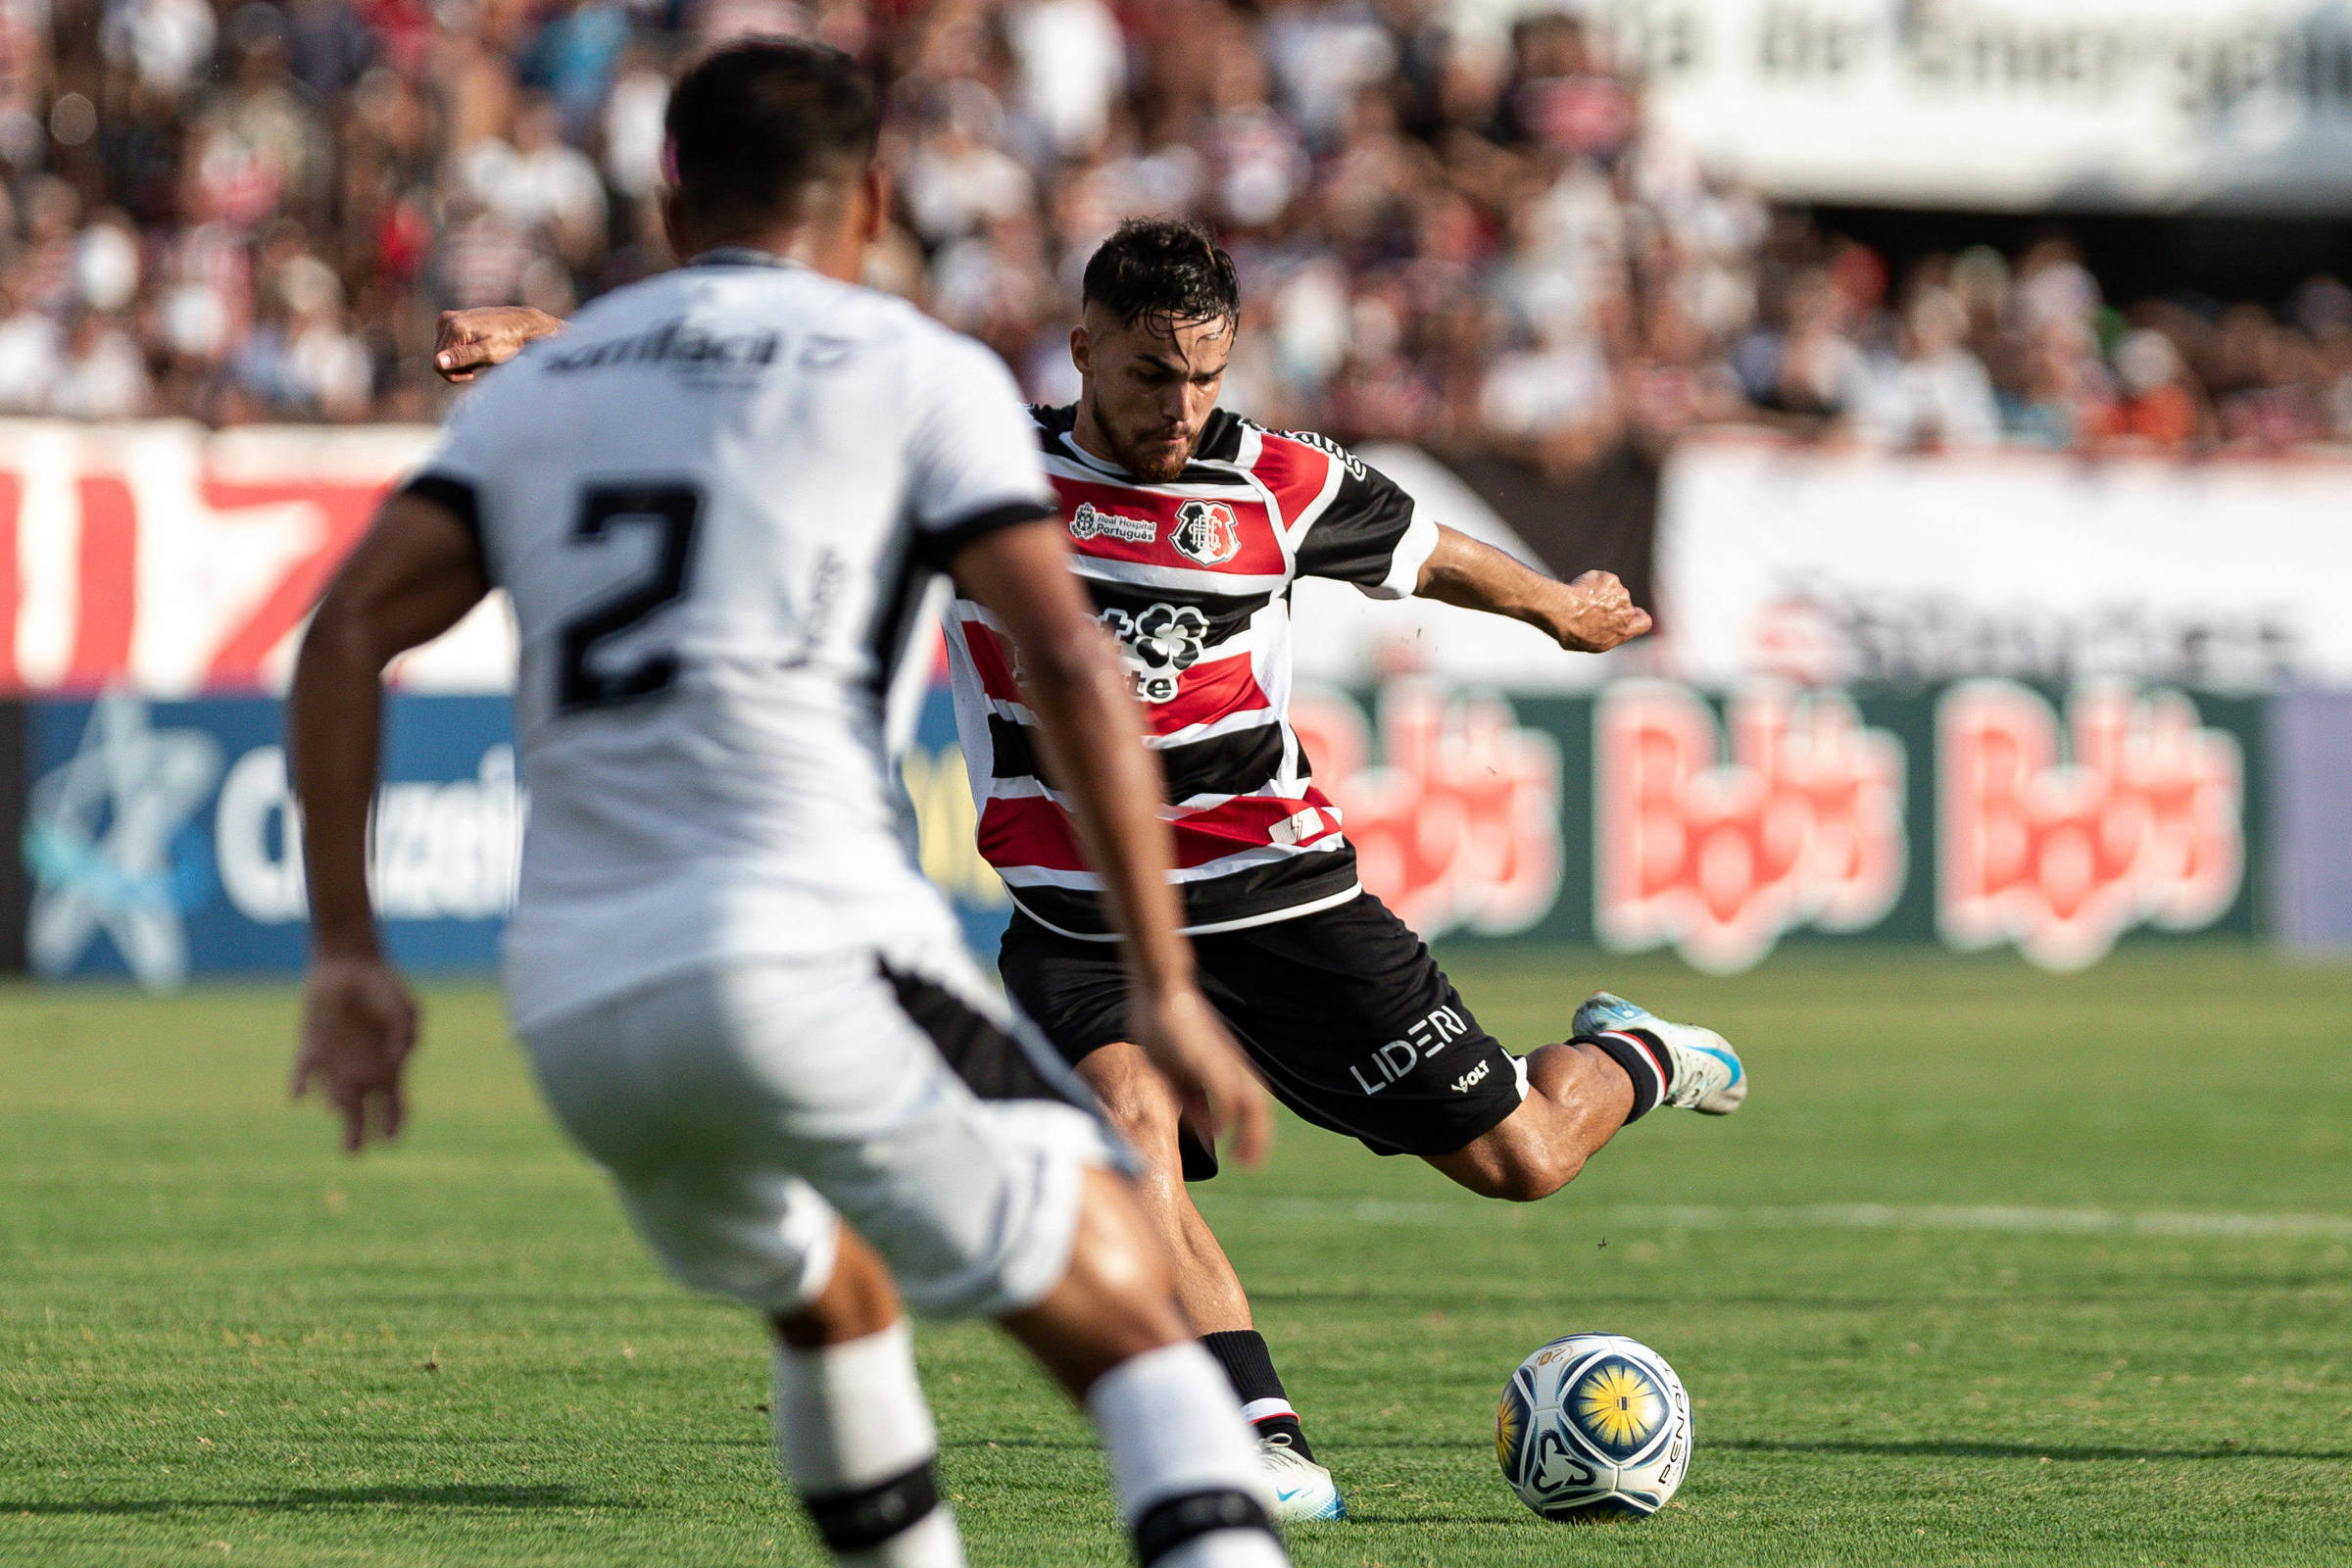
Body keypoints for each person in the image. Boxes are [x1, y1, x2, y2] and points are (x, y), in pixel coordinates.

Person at [433, 218, 1749, 1524]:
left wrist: (1558, 609)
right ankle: (1263, 1437)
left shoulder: (1278, 483)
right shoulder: (975, 464)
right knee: (1130, 1158)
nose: (1180, 408)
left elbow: (1429, 553)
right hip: (1080, 922)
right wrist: (559, 343)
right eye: (1149, 376)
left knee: (1521, 1157)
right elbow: (764, 390)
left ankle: (1634, 1053)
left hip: (1284, 897)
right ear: (1082, 351)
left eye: (1205, 378)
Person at [289, 43, 1294, 1568]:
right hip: (807, 951)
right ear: (877, 199)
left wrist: (347, 949)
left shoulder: (547, 383)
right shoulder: (920, 375)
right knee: (1141, 1312)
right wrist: (1165, 983)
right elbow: (1072, 661)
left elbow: (346, 633)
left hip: (579, 1017)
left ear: (669, 201)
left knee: (835, 1294)